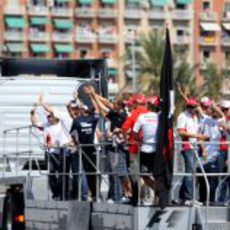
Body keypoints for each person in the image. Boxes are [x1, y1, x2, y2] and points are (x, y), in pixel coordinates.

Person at [31, 95, 73, 200]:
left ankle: (62, 194)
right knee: (51, 174)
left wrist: (42, 102)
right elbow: (35, 123)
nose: (48, 117)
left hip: (60, 151)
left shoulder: (61, 124)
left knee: (62, 174)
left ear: (55, 116)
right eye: (47, 116)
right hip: (49, 152)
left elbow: (64, 140)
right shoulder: (46, 124)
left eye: (50, 116)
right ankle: (56, 194)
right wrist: (32, 113)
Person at [176, 98, 207, 206]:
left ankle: (181, 197)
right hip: (187, 147)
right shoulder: (182, 116)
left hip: (194, 147)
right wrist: (198, 136)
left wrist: (203, 149)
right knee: (190, 172)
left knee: (190, 172)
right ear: (190, 107)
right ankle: (188, 198)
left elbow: (197, 132)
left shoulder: (194, 117)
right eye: (195, 107)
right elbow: (181, 132)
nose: (197, 109)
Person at [70, 95, 100, 201]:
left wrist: (92, 97)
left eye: (82, 108)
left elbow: (97, 110)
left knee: (91, 172)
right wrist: (76, 143)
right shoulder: (80, 120)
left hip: (88, 148)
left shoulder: (87, 119)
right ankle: (90, 194)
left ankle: (94, 194)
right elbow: (72, 133)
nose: (81, 110)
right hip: (86, 148)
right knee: (88, 172)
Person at [133, 96, 160, 205]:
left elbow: (134, 133)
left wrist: (139, 139)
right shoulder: (160, 117)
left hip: (144, 149)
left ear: (148, 105)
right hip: (156, 151)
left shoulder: (142, 117)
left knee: (144, 175)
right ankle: (158, 191)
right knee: (156, 174)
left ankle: (157, 190)